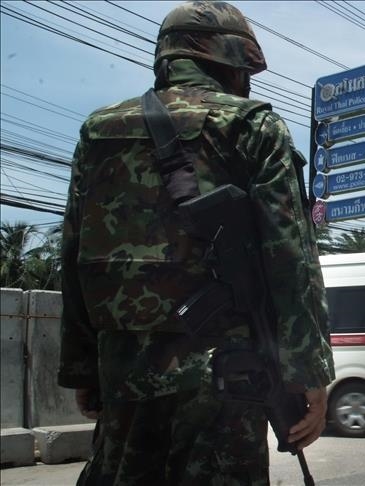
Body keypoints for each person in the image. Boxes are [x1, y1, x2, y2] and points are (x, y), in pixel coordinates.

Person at [57, 2, 334, 484]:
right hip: (223, 378)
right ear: (233, 61)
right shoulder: (253, 126)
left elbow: (74, 255)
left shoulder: (98, 131)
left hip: (122, 371)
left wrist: (84, 366)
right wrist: (308, 370)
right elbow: (292, 259)